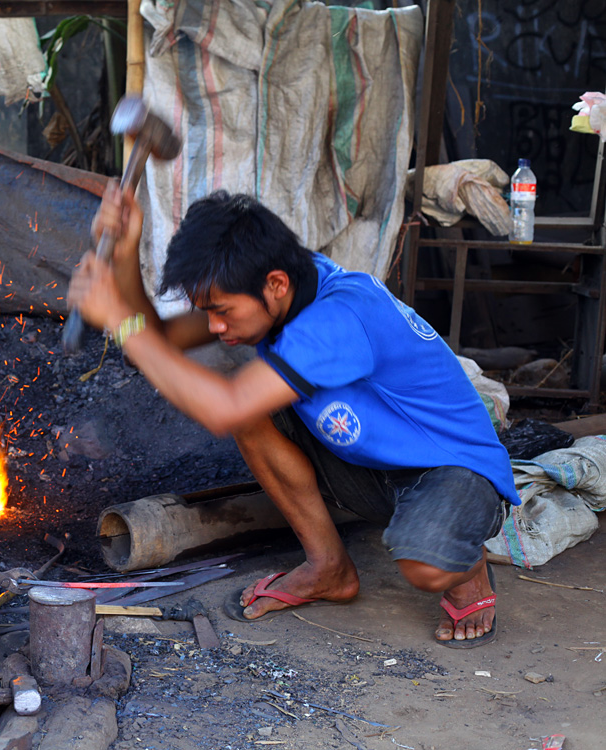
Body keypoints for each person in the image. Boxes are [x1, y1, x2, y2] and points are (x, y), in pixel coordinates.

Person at [68, 185, 518, 648]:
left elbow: (219, 407)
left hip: (454, 471)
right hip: (374, 470)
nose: (215, 327)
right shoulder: (271, 291)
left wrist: (121, 321)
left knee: (425, 565)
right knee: (251, 413)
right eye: (208, 313)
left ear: (276, 284)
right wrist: (126, 252)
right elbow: (158, 341)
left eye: (221, 312)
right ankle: (329, 568)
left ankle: (470, 567)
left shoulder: (339, 317)